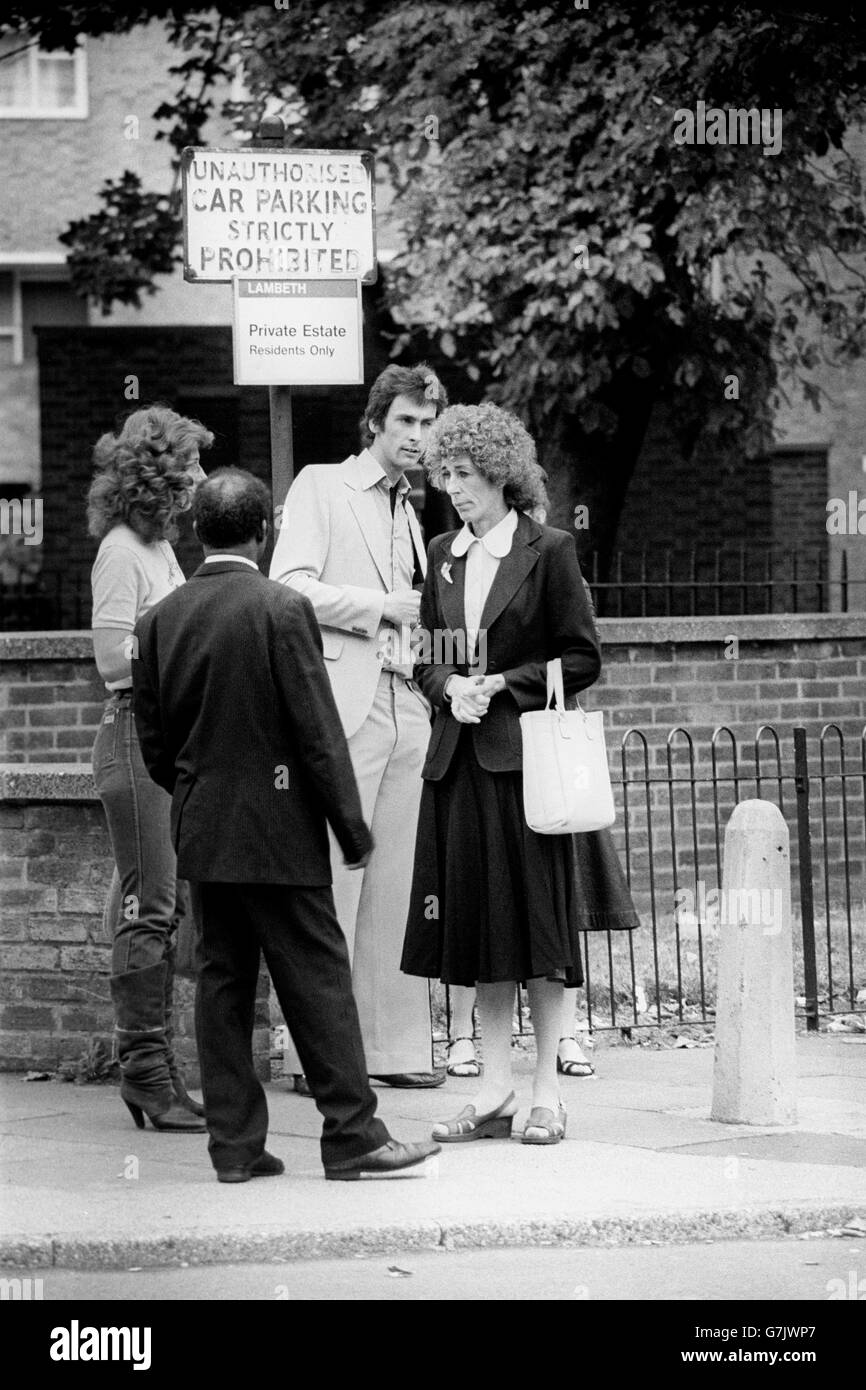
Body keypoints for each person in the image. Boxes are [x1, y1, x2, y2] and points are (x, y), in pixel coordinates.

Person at [131, 468, 440, 1183]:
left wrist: (196, 795)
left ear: (195, 532)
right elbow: (317, 731)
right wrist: (351, 828)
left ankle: (235, 1149)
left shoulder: (159, 621)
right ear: (263, 532)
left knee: (223, 984)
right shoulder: (281, 608)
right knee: (318, 981)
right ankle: (352, 1135)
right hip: (281, 832)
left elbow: (155, 745)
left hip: (205, 831)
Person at [401, 403, 602, 1145]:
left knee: (538, 933)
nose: (453, 487)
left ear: (501, 474)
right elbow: (428, 654)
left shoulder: (548, 550)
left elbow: (582, 657)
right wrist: (449, 686)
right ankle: (493, 1090)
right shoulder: (444, 552)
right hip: (458, 767)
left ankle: (546, 1091)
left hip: (525, 772)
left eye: (465, 473)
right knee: (481, 933)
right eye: (445, 473)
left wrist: (505, 685)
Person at [269, 364, 449, 1091]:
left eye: (427, 423)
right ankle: (321, 1056)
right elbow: (288, 587)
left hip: (409, 703)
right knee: (338, 882)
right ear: (375, 422)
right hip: (347, 704)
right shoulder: (322, 484)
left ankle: (396, 1049)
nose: (417, 435)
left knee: (399, 885)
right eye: (405, 421)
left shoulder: (412, 508)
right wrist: (376, 606)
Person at [89, 404, 212, 1133]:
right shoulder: (121, 552)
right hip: (133, 736)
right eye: (191, 464)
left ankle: (155, 1072)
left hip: (163, 737)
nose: (200, 477)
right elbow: (111, 660)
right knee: (150, 908)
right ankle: (144, 1074)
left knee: (155, 907)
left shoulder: (160, 548)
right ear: (160, 473)